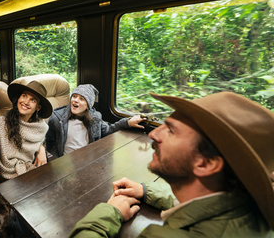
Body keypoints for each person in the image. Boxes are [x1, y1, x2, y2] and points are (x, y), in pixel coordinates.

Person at [69, 92, 274, 237]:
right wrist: (145, 190)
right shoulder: (244, 207)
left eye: (171, 130)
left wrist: (109, 212)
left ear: (207, 164)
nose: (153, 133)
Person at [0, 80, 53, 237]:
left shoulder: (40, 128)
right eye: (24, 95)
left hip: (30, 179)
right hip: (6, 185)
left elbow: (35, 149)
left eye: (33, 100)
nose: (26, 102)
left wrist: (41, 147)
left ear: (38, 107)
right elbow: (3, 168)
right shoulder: (0, 125)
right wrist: (32, 176)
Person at [46, 84, 146, 159]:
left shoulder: (95, 118)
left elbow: (108, 131)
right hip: (65, 161)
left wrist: (127, 122)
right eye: (74, 96)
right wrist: (58, 162)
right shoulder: (57, 119)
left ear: (88, 106)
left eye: (81, 99)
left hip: (88, 159)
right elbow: (50, 143)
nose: (76, 100)